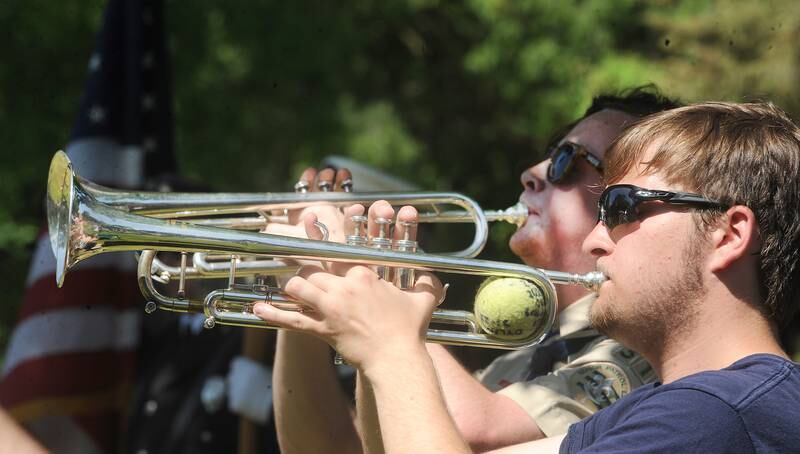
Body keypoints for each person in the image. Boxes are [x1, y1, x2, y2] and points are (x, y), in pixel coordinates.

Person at [255, 101, 800, 453]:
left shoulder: (708, 414)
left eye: (622, 204)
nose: (595, 238)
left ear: (727, 235)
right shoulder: (670, 408)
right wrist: (326, 279)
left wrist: (392, 347)